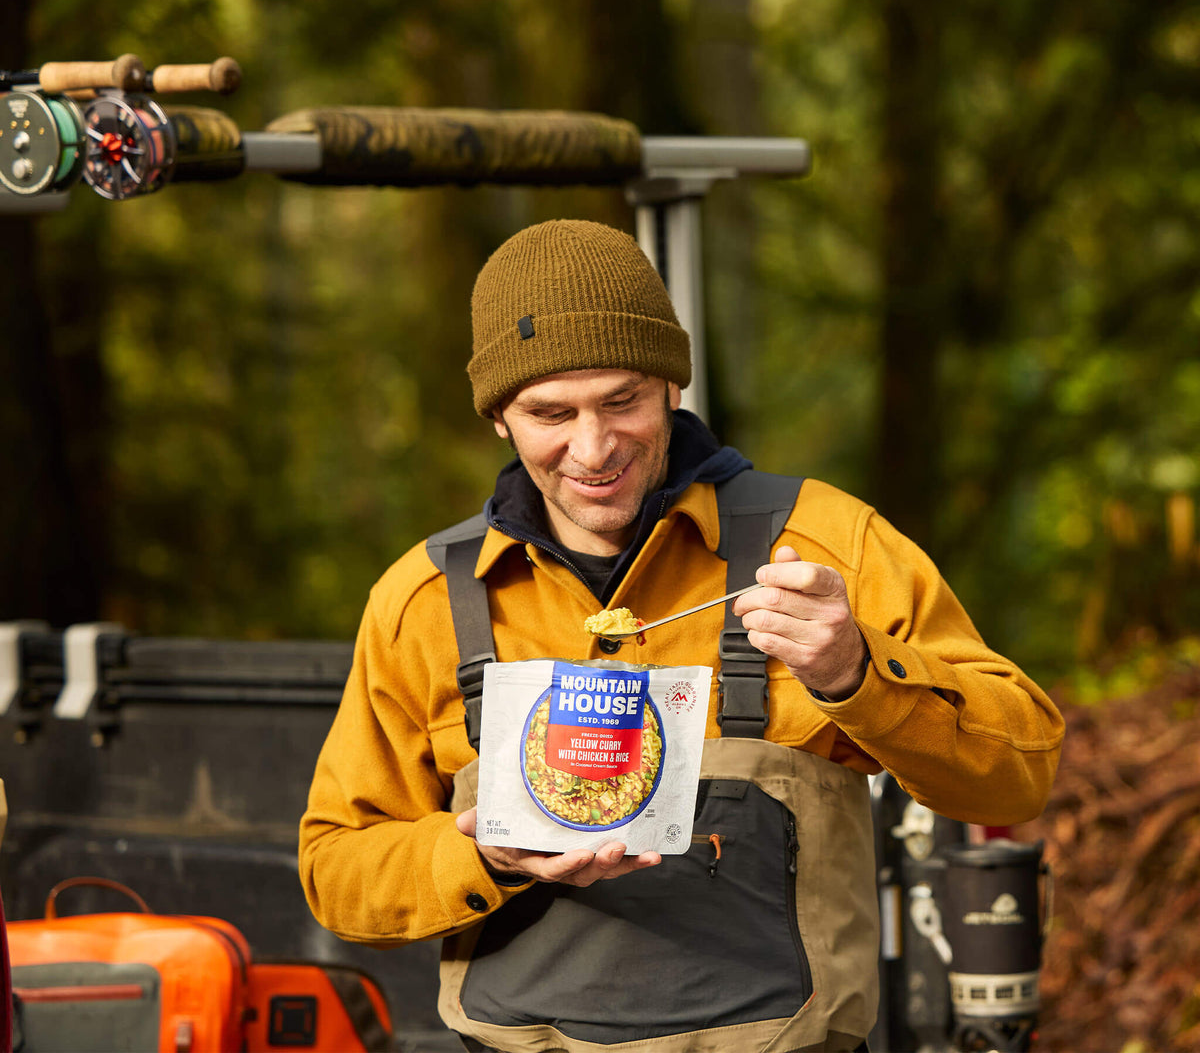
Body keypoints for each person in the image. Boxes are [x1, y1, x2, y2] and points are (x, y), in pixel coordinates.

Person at [299, 219, 1064, 1053]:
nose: (593, 449)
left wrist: (857, 673)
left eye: (622, 401)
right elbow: (337, 872)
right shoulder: (425, 601)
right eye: (550, 413)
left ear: (671, 384)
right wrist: (487, 860)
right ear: (497, 418)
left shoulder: (827, 546)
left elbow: (1019, 774)